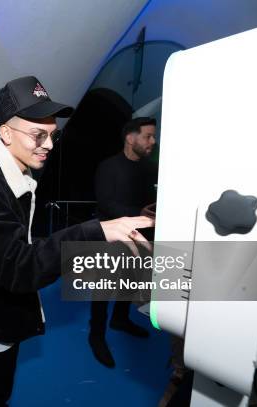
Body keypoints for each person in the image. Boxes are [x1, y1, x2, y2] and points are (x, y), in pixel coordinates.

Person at [0, 76, 154, 407]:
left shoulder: (15, 174)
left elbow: (18, 243)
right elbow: (18, 267)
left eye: (53, 135)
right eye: (37, 135)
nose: (49, 144)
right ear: (5, 133)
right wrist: (94, 231)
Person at [88, 117, 158, 368]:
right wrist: (143, 214)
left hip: (138, 240)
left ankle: (120, 319)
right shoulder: (109, 167)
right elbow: (106, 203)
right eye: (148, 136)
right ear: (130, 138)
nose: (153, 141)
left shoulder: (151, 168)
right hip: (110, 239)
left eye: (153, 136)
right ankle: (96, 336)